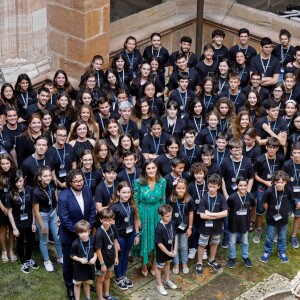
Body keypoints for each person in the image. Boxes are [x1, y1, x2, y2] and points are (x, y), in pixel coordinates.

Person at [58, 169, 96, 300]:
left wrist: (88, 229)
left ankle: (85, 281)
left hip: (86, 233)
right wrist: (80, 232)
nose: (79, 183)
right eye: (76, 181)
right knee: (69, 262)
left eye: (81, 180)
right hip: (69, 236)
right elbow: (65, 220)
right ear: (70, 182)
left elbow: (92, 209)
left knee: (86, 258)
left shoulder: (87, 190)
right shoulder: (63, 197)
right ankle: (70, 286)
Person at [134, 159, 166, 276]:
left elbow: (163, 199)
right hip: (144, 213)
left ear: (157, 168)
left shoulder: (162, 181)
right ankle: (143, 263)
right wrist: (137, 219)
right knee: (144, 238)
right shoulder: (138, 182)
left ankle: (153, 263)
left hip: (157, 213)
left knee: (156, 238)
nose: (151, 170)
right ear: (145, 170)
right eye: (148, 168)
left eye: (153, 168)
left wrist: (164, 217)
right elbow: (135, 201)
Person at [109, 181, 140, 290]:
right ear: (118, 193)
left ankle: (123, 275)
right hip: (120, 236)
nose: (126, 195)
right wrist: (115, 241)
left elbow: (135, 219)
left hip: (130, 235)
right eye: (123, 192)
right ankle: (118, 278)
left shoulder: (131, 204)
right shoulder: (114, 207)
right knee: (120, 256)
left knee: (126, 255)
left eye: (128, 192)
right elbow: (111, 226)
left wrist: (136, 234)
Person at [7, 169, 39, 273]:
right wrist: (14, 228)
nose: (19, 184)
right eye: (16, 181)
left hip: (29, 222)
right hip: (18, 223)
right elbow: (10, 212)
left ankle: (28, 258)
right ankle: (23, 262)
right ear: (13, 182)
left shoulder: (30, 190)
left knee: (30, 243)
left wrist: (34, 223)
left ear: (23, 180)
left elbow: (33, 208)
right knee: (20, 243)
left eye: (20, 181)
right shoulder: (10, 194)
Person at [195, 174, 228, 275]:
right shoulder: (204, 198)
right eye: (210, 186)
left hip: (217, 227)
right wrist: (217, 215)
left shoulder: (221, 197)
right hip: (205, 227)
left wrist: (210, 214)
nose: (212, 189)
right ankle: (199, 263)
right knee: (202, 244)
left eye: (214, 187)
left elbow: (225, 213)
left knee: (214, 243)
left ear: (218, 186)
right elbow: (202, 216)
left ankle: (212, 260)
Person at [253, 137, 284, 244]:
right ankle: (259, 230)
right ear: (266, 147)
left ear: (277, 148)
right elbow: (254, 175)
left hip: (276, 187)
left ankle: (274, 230)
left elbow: (281, 173)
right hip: (262, 187)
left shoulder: (280, 158)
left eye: (274, 148)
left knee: (275, 208)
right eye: (269, 147)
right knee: (260, 209)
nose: (271, 150)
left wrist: (276, 183)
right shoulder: (260, 159)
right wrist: (265, 182)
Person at [32, 166, 63, 272]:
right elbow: (36, 211)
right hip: (42, 216)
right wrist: (42, 226)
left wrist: (58, 214)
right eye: (45, 176)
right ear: (40, 177)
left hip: (53, 213)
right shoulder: (36, 191)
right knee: (44, 240)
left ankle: (60, 256)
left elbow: (55, 198)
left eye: (49, 175)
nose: (48, 178)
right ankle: (47, 260)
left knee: (57, 237)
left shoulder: (52, 184)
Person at [260, 170, 292, 264]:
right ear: (274, 182)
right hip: (271, 218)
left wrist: (285, 210)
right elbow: (265, 203)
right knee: (270, 236)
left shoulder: (288, 190)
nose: (280, 184)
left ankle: (281, 251)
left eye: (282, 182)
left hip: (284, 219)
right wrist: (269, 212)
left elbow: (290, 199)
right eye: (278, 182)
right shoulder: (269, 191)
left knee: (282, 236)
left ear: (286, 182)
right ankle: (267, 251)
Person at [227, 177, 255, 269]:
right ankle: (232, 257)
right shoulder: (232, 197)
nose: (243, 187)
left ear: (247, 185)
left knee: (245, 241)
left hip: (245, 223)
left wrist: (251, 221)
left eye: (245, 185)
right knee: (232, 242)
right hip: (233, 223)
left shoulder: (250, 196)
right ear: (237, 186)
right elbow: (229, 209)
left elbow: (252, 207)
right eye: (240, 185)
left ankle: (245, 257)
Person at [168, 179, 194, 275]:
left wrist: (190, 227)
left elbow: (191, 214)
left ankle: (184, 263)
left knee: (183, 245)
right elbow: (167, 214)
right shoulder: (171, 199)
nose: (180, 190)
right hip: (173, 228)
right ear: (175, 188)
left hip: (185, 227)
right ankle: (176, 263)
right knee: (174, 245)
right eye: (178, 188)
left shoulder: (189, 199)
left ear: (186, 188)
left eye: (183, 188)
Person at [95, 208, 119, 300]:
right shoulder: (99, 233)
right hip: (103, 261)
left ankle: (107, 295)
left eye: (109, 220)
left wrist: (116, 257)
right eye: (105, 220)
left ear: (112, 220)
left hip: (111, 258)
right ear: (101, 220)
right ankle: (100, 298)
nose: (107, 223)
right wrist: (102, 264)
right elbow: (98, 250)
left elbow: (115, 242)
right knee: (101, 279)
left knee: (108, 276)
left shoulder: (113, 227)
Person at [155, 204, 178, 296]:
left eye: (170, 215)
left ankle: (167, 280)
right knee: (159, 267)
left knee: (168, 264)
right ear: (161, 215)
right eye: (167, 216)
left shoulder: (172, 223)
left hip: (171, 249)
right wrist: (168, 252)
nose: (169, 218)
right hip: (163, 251)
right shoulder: (159, 228)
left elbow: (175, 236)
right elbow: (159, 243)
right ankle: (159, 285)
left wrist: (175, 250)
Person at [70, 220, 97, 300]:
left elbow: (96, 251)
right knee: (77, 284)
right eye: (81, 233)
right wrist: (80, 260)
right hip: (79, 268)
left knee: (86, 283)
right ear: (77, 233)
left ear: (89, 231)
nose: (83, 235)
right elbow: (72, 255)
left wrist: (94, 258)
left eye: (85, 232)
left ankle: (88, 298)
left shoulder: (92, 239)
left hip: (89, 267)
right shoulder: (75, 243)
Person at [45, 126, 77, 192]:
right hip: (57, 187)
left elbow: (74, 165)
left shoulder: (69, 147)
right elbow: (50, 172)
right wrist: (60, 184)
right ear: (55, 135)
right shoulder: (49, 151)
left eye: (64, 136)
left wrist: (70, 181)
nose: (62, 138)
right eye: (60, 135)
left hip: (71, 184)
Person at [188, 163, 208, 260]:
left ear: (204, 174)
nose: (198, 176)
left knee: (203, 231)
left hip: (205, 213)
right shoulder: (191, 185)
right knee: (194, 230)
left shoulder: (208, 184)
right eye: (196, 174)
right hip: (194, 213)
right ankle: (193, 247)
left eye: (200, 173)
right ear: (193, 174)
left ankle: (203, 249)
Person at [281, 141, 300, 249]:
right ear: (291, 153)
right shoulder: (287, 164)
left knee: (297, 217)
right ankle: (281, 234)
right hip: (287, 195)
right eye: (294, 153)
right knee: (284, 214)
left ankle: (293, 236)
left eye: (299, 152)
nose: (296, 155)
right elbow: (282, 180)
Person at [0, 153, 17, 263]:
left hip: (13, 206)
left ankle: (11, 250)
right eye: (3, 164)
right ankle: (4, 251)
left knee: (12, 229)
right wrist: (3, 208)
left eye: (7, 163)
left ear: (11, 163)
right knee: (2, 230)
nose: (5, 166)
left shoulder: (14, 174)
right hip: (1, 206)